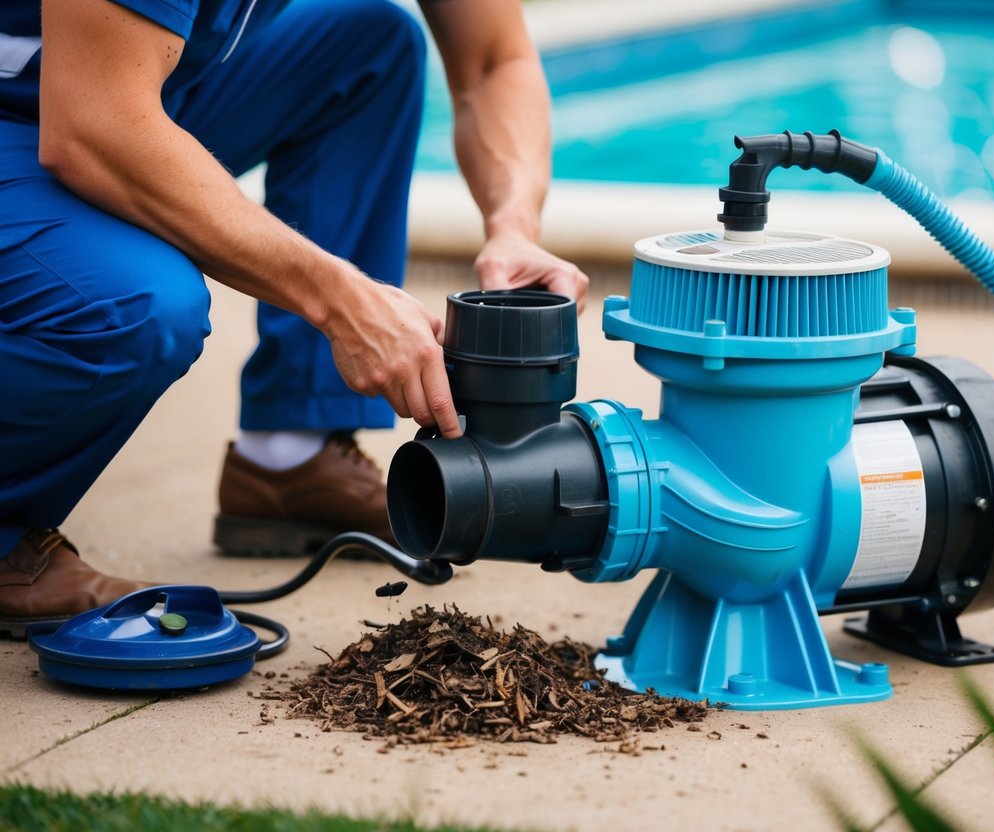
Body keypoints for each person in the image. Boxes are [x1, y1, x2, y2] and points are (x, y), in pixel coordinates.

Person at [0, 0, 589, 635]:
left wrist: (513, 228)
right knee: (139, 305)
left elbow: (494, 59)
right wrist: (343, 301)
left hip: (124, 82)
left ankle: (293, 452)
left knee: (370, 42)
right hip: (49, 108)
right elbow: (95, 123)